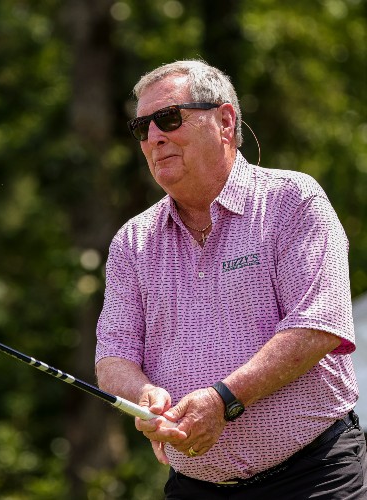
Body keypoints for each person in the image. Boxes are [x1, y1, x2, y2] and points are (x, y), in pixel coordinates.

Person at [95, 59, 367, 499]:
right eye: (142, 127)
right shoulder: (133, 241)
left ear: (224, 121)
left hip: (313, 477)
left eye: (169, 118)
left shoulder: (293, 200)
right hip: (195, 487)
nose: (154, 137)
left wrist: (223, 401)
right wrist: (144, 396)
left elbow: (317, 327)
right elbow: (112, 355)